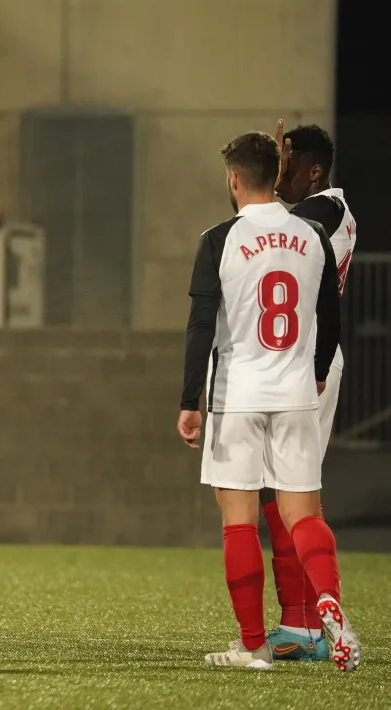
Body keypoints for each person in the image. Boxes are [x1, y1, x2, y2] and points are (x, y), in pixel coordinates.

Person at [177, 131, 359, 672]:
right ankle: (329, 607)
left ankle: (253, 647)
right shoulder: (313, 234)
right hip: (298, 391)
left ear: (233, 178)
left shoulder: (218, 238)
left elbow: (200, 324)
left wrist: (190, 400)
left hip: (239, 394)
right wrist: (320, 370)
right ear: (276, 173)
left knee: (239, 522)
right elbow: (331, 314)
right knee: (303, 513)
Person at [261, 122, 358, 662]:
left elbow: (281, 227)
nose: (278, 176)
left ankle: (317, 622)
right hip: (287, 361)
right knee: (280, 493)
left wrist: (257, 183)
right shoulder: (304, 214)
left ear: (314, 171)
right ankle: (299, 623)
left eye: (287, 164)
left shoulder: (328, 209)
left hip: (312, 366)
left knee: (298, 495)